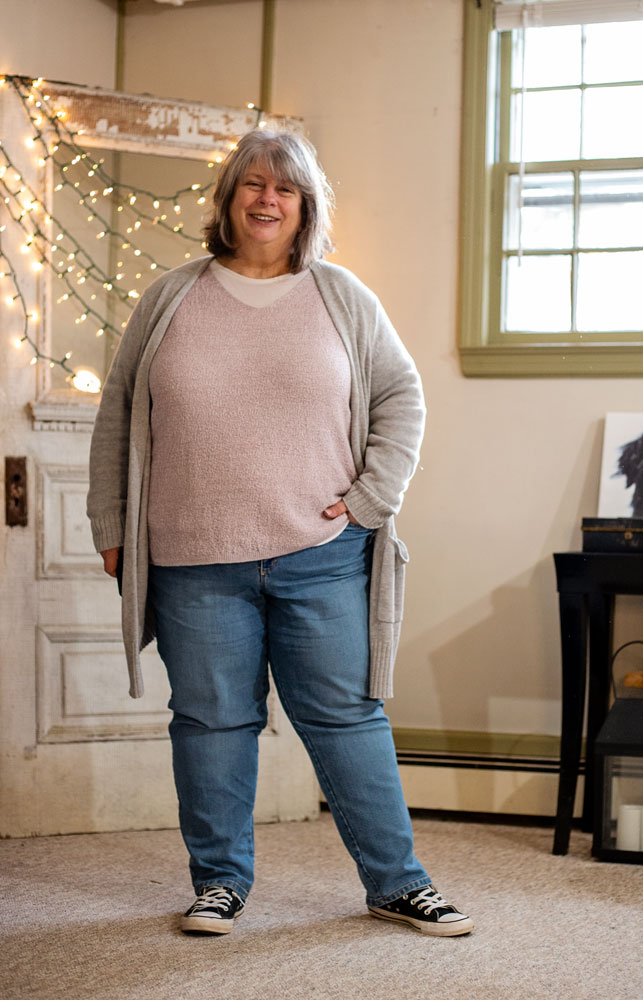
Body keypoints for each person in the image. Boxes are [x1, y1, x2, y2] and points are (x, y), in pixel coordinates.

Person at [87, 129, 473, 938]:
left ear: (305, 207)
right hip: (191, 557)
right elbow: (119, 413)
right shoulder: (170, 295)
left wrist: (372, 498)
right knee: (209, 722)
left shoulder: (340, 295)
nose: (266, 199)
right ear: (227, 202)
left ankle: (396, 882)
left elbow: (401, 398)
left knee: (346, 718)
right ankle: (219, 884)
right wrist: (112, 524)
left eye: (284, 189)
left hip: (322, 555)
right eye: (251, 186)